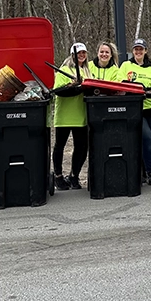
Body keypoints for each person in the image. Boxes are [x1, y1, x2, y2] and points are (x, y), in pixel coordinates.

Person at [118, 38, 151, 185]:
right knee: (148, 138)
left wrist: (144, 90)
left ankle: (142, 172)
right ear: (133, 51)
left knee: (144, 141)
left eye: (141, 49)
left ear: (145, 51)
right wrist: (139, 89)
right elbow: (122, 84)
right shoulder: (126, 65)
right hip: (135, 109)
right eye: (136, 49)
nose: (138, 52)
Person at [52, 42, 92, 190]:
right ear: (72, 55)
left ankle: (74, 175)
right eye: (78, 53)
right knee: (60, 146)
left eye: (84, 53)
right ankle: (58, 176)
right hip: (64, 115)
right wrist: (77, 87)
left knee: (81, 147)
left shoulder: (87, 71)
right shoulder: (63, 70)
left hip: (80, 114)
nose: (81, 55)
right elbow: (59, 91)